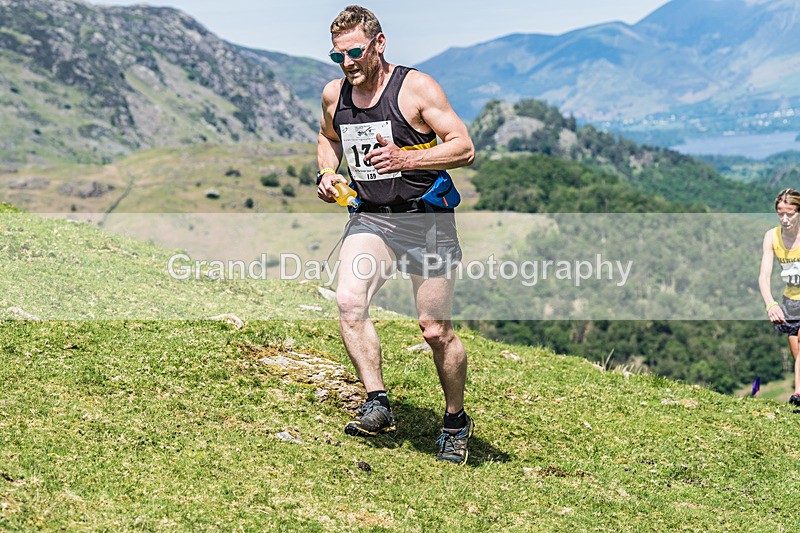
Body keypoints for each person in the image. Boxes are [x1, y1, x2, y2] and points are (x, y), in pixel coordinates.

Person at [316, 5, 475, 464]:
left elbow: (463, 147)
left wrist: (406, 159)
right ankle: (377, 401)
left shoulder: (415, 88)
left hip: (426, 217)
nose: (348, 64)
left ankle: (454, 421)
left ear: (379, 45)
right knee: (349, 302)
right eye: (338, 56)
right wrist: (327, 173)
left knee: (435, 330)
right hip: (373, 217)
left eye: (355, 53)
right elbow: (328, 136)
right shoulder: (335, 94)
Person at [759, 188, 800, 406]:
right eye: (780, 213)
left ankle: (797, 396)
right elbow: (764, 277)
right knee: (797, 355)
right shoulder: (771, 237)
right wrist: (770, 304)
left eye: (790, 214)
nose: (785, 219)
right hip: (790, 302)